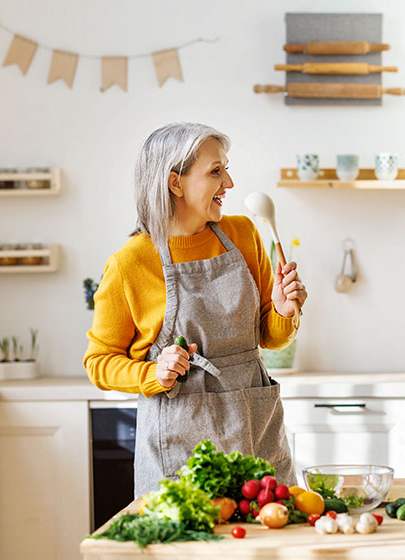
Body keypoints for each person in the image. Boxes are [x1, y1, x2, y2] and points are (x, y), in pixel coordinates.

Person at [84, 122, 307, 497]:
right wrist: (155, 373)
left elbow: (270, 337)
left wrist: (285, 311)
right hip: (180, 450)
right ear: (176, 183)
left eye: (227, 168)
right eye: (216, 171)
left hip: (258, 431)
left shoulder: (244, 234)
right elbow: (99, 362)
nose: (230, 183)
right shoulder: (131, 262)